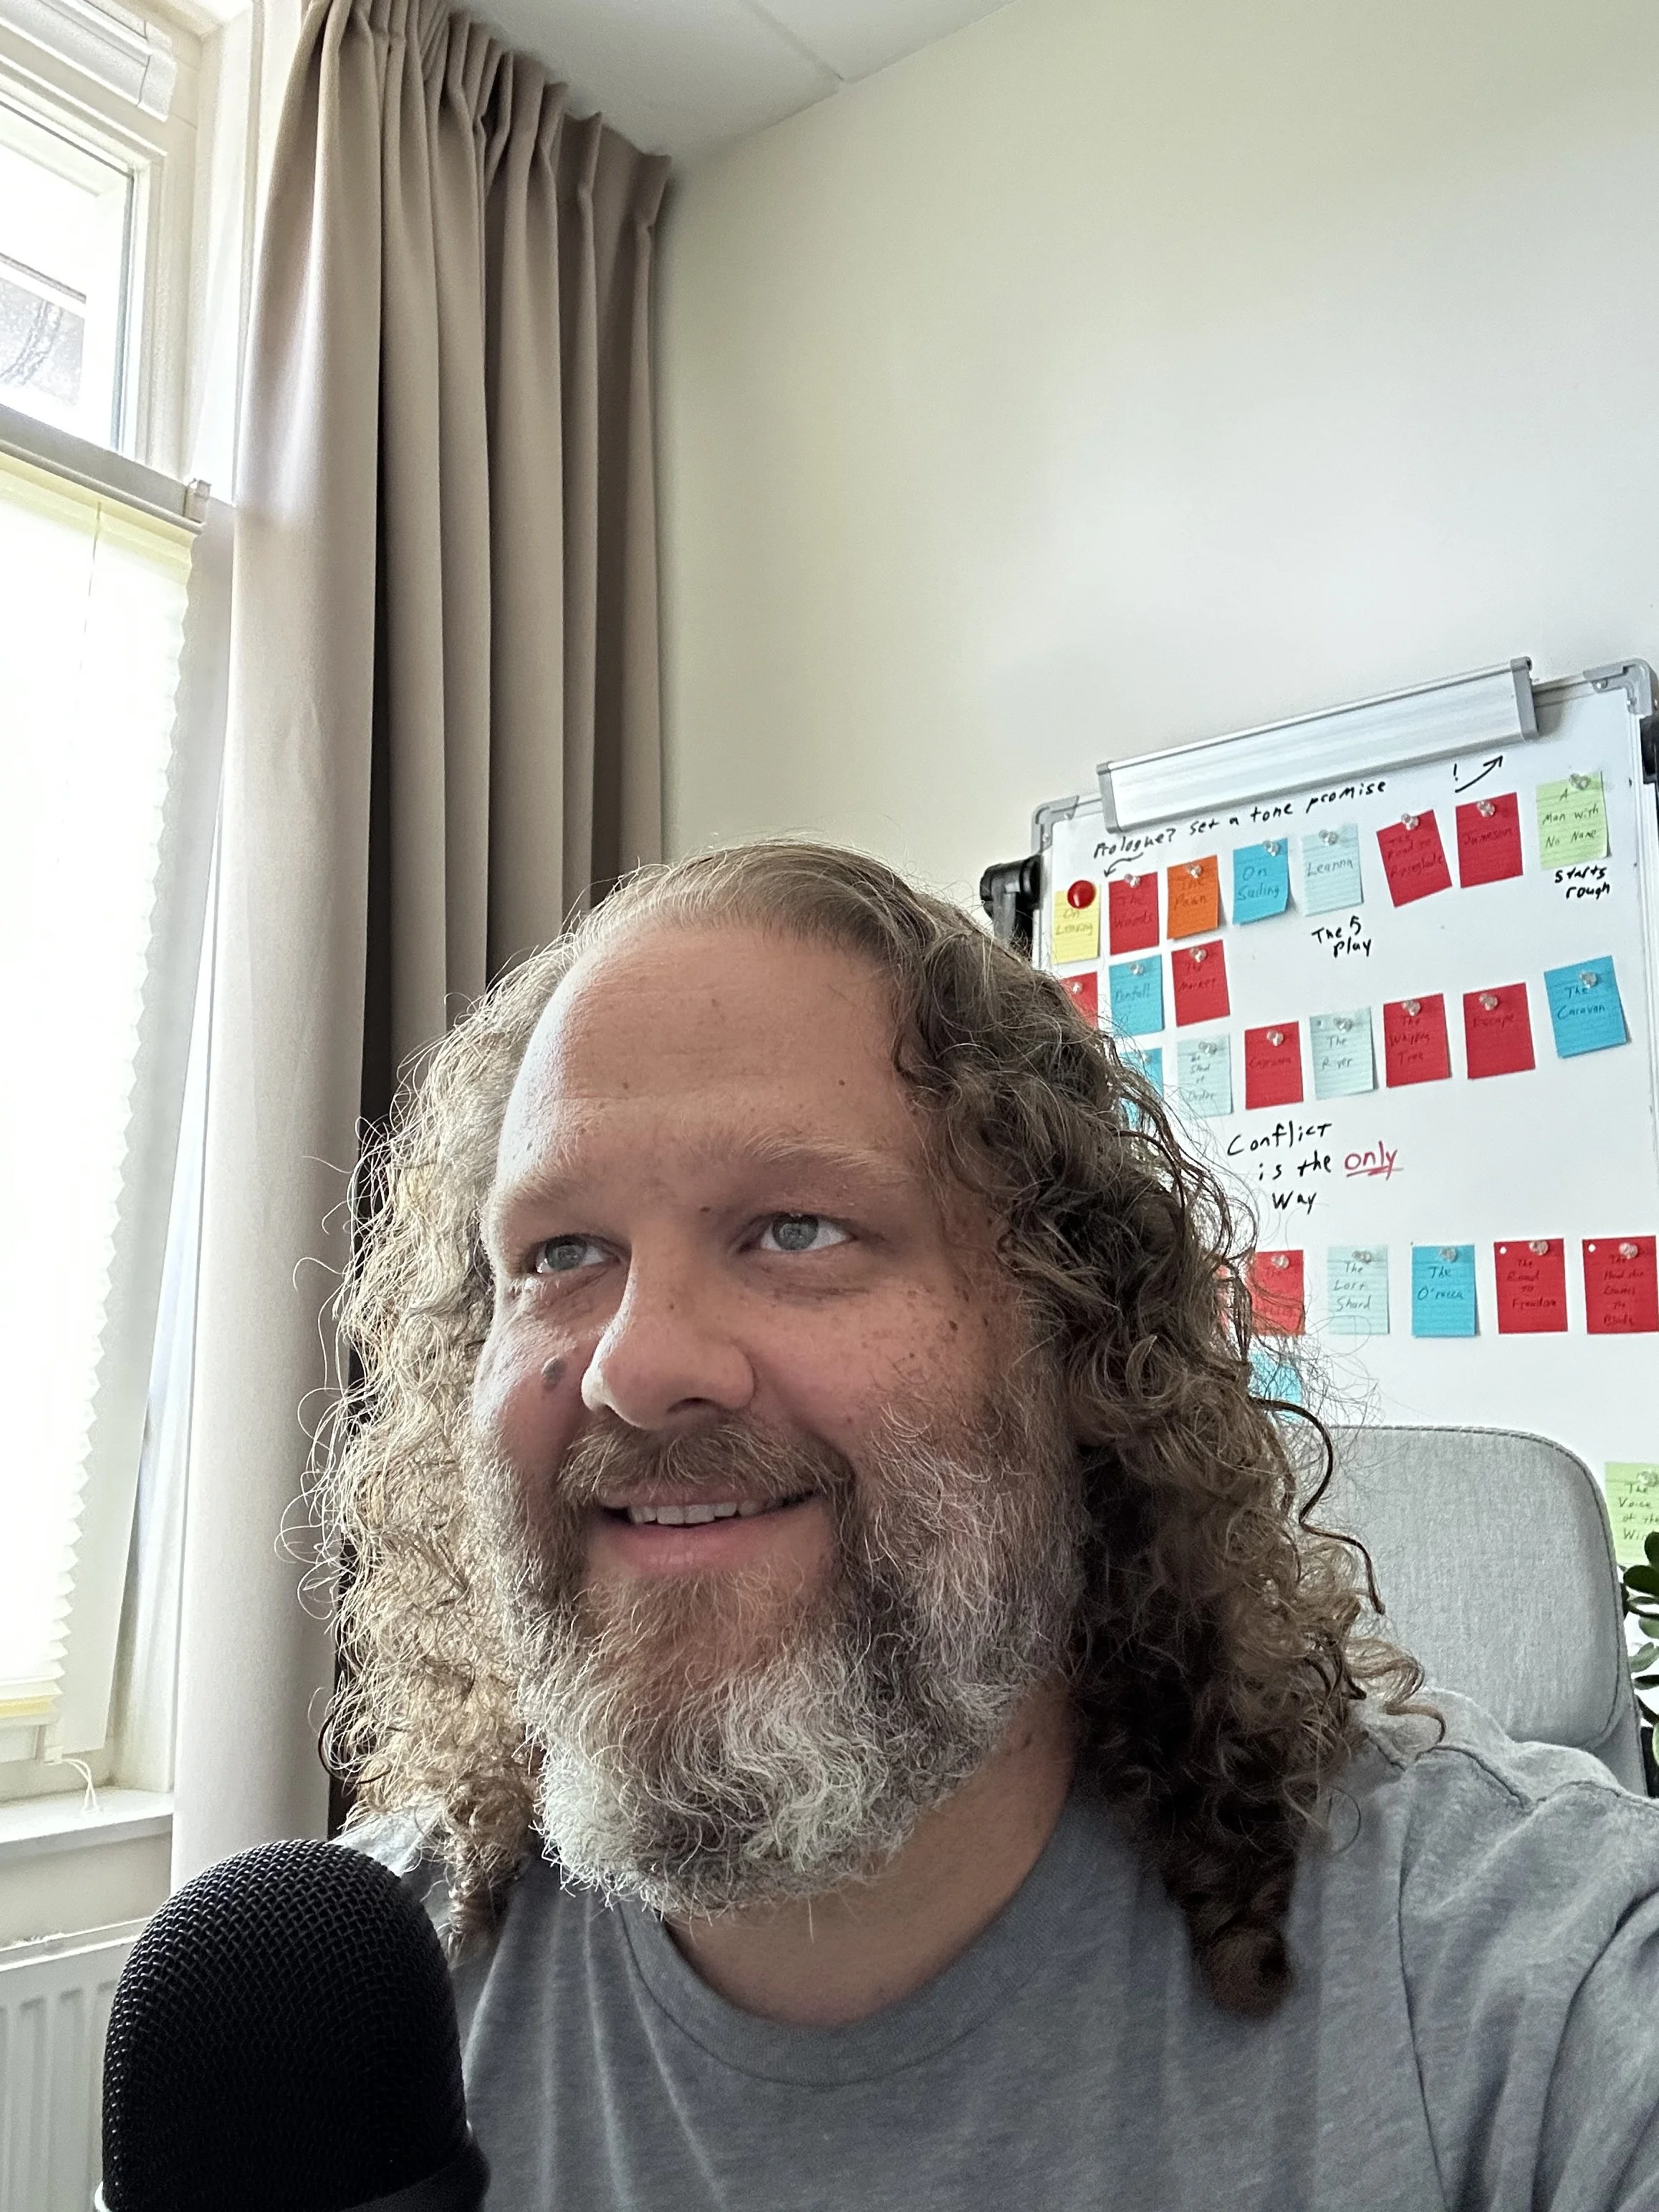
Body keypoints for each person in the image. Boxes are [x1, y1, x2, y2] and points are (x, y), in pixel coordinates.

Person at [324, 840, 1659, 2211]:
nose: (633, 1366)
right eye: (558, 1255)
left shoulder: (1533, 1996)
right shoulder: (338, 2033)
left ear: (1071, 1342)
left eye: (796, 1228)